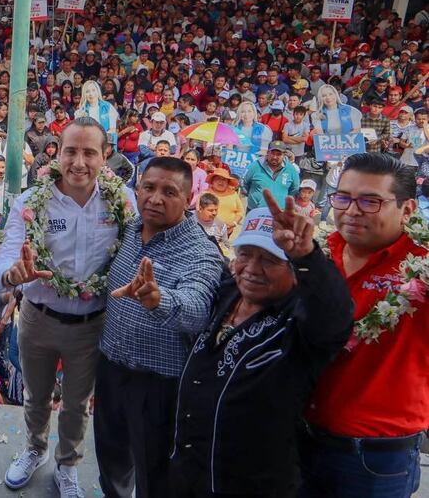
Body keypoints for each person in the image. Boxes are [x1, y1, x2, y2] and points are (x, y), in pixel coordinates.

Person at [170, 194, 354, 497]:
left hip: (253, 484)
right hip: (188, 474)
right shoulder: (227, 294)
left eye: (269, 259)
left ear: (295, 273)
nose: (252, 268)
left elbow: (333, 316)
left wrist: (306, 255)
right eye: (245, 254)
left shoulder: (298, 321)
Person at [0, 117, 134, 497]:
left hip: (92, 326)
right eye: (72, 150)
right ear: (58, 151)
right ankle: (34, 449)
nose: (79, 162)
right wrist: (12, 275)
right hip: (38, 321)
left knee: (76, 404)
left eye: (90, 152)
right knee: (36, 396)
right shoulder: (32, 201)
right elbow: (2, 262)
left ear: (105, 156)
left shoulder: (122, 202)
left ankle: (67, 464)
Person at [301, 153, 429, 497]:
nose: (352, 210)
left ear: (407, 210)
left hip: (375, 459)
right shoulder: (316, 254)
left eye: (371, 201)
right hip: (298, 440)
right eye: (343, 197)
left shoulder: (423, 268)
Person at [95, 156, 224, 498]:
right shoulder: (130, 230)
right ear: (137, 190)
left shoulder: (202, 253)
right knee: (110, 458)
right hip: (111, 370)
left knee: (155, 476)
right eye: (149, 188)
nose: (155, 198)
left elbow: (198, 309)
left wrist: (159, 299)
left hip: (158, 387)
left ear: (188, 199)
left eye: (169, 192)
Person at [242, 142, 300, 211]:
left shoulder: (291, 169)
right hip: (255, 210)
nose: (275, 157)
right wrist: (257, 199)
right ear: (267, 152)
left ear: (284, 155)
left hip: (279, 213)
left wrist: (281, 200)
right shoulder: (255, 165)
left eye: (278, 154)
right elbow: (245, 183)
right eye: (272, 153)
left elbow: (294, 189)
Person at [77, 81, 119, 147]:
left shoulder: (108, 107)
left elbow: (113, 130)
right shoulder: (80, 112)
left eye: (93, 90)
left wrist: (106, 148)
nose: (91, 94)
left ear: (98, 91)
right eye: (87, 91)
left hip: (107, 146)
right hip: (89, 146)